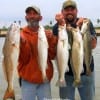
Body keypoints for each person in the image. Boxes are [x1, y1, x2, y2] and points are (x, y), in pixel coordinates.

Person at [53, 0, 97, 100]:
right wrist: (61, 26)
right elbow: (54, 50)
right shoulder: (57, 27)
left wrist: (83, 29)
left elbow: (93, 45)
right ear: (62, 12)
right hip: (66, 74)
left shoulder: (86, 23)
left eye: (72, 9)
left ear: (76, 11)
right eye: (66, 10)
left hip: (86, 72)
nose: (69, 12)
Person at [17, 5, 57, 100]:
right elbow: (23, 59)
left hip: (44, 80)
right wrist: (22, 43)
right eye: (29, 14)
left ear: (40, 17)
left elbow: (52, 56)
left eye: (35, 14)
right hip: (27, 80)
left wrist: (51, 40)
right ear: (26, 17)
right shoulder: (21, 35)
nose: (32, 16)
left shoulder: (46, 34)